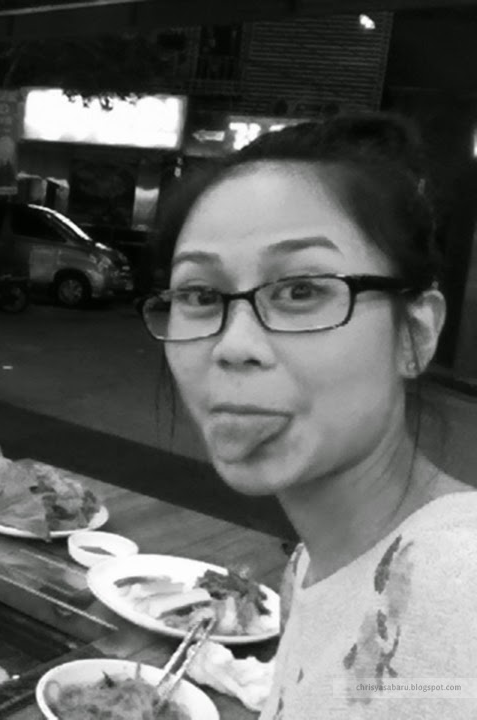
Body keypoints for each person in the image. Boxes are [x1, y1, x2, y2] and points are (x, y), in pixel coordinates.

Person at [142, 113, 477, 719]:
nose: (233, 345)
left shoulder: (463, 587)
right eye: (200, 296)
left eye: (301, 290)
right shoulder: (308, 568)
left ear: (415, 333)